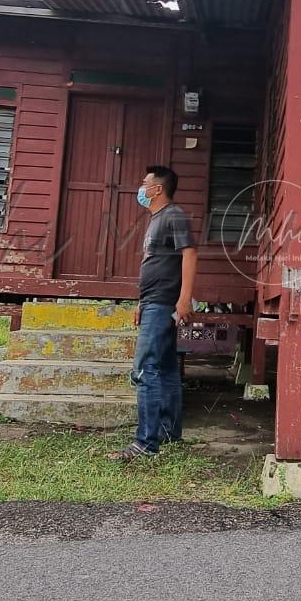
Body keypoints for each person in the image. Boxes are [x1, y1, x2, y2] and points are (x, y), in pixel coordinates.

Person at [110, 164, 197, 461]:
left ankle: (145, 444)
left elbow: (189, 254)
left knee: (145, 370)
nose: (141, 188)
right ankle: (170, 434)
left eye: (144, 183)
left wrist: (185, 299)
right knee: (167, 368)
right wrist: (140, 303)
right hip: (152, 303)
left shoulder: (174, 216)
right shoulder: (156, 219)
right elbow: (154, 266)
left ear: (157, 189)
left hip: (164, 304)